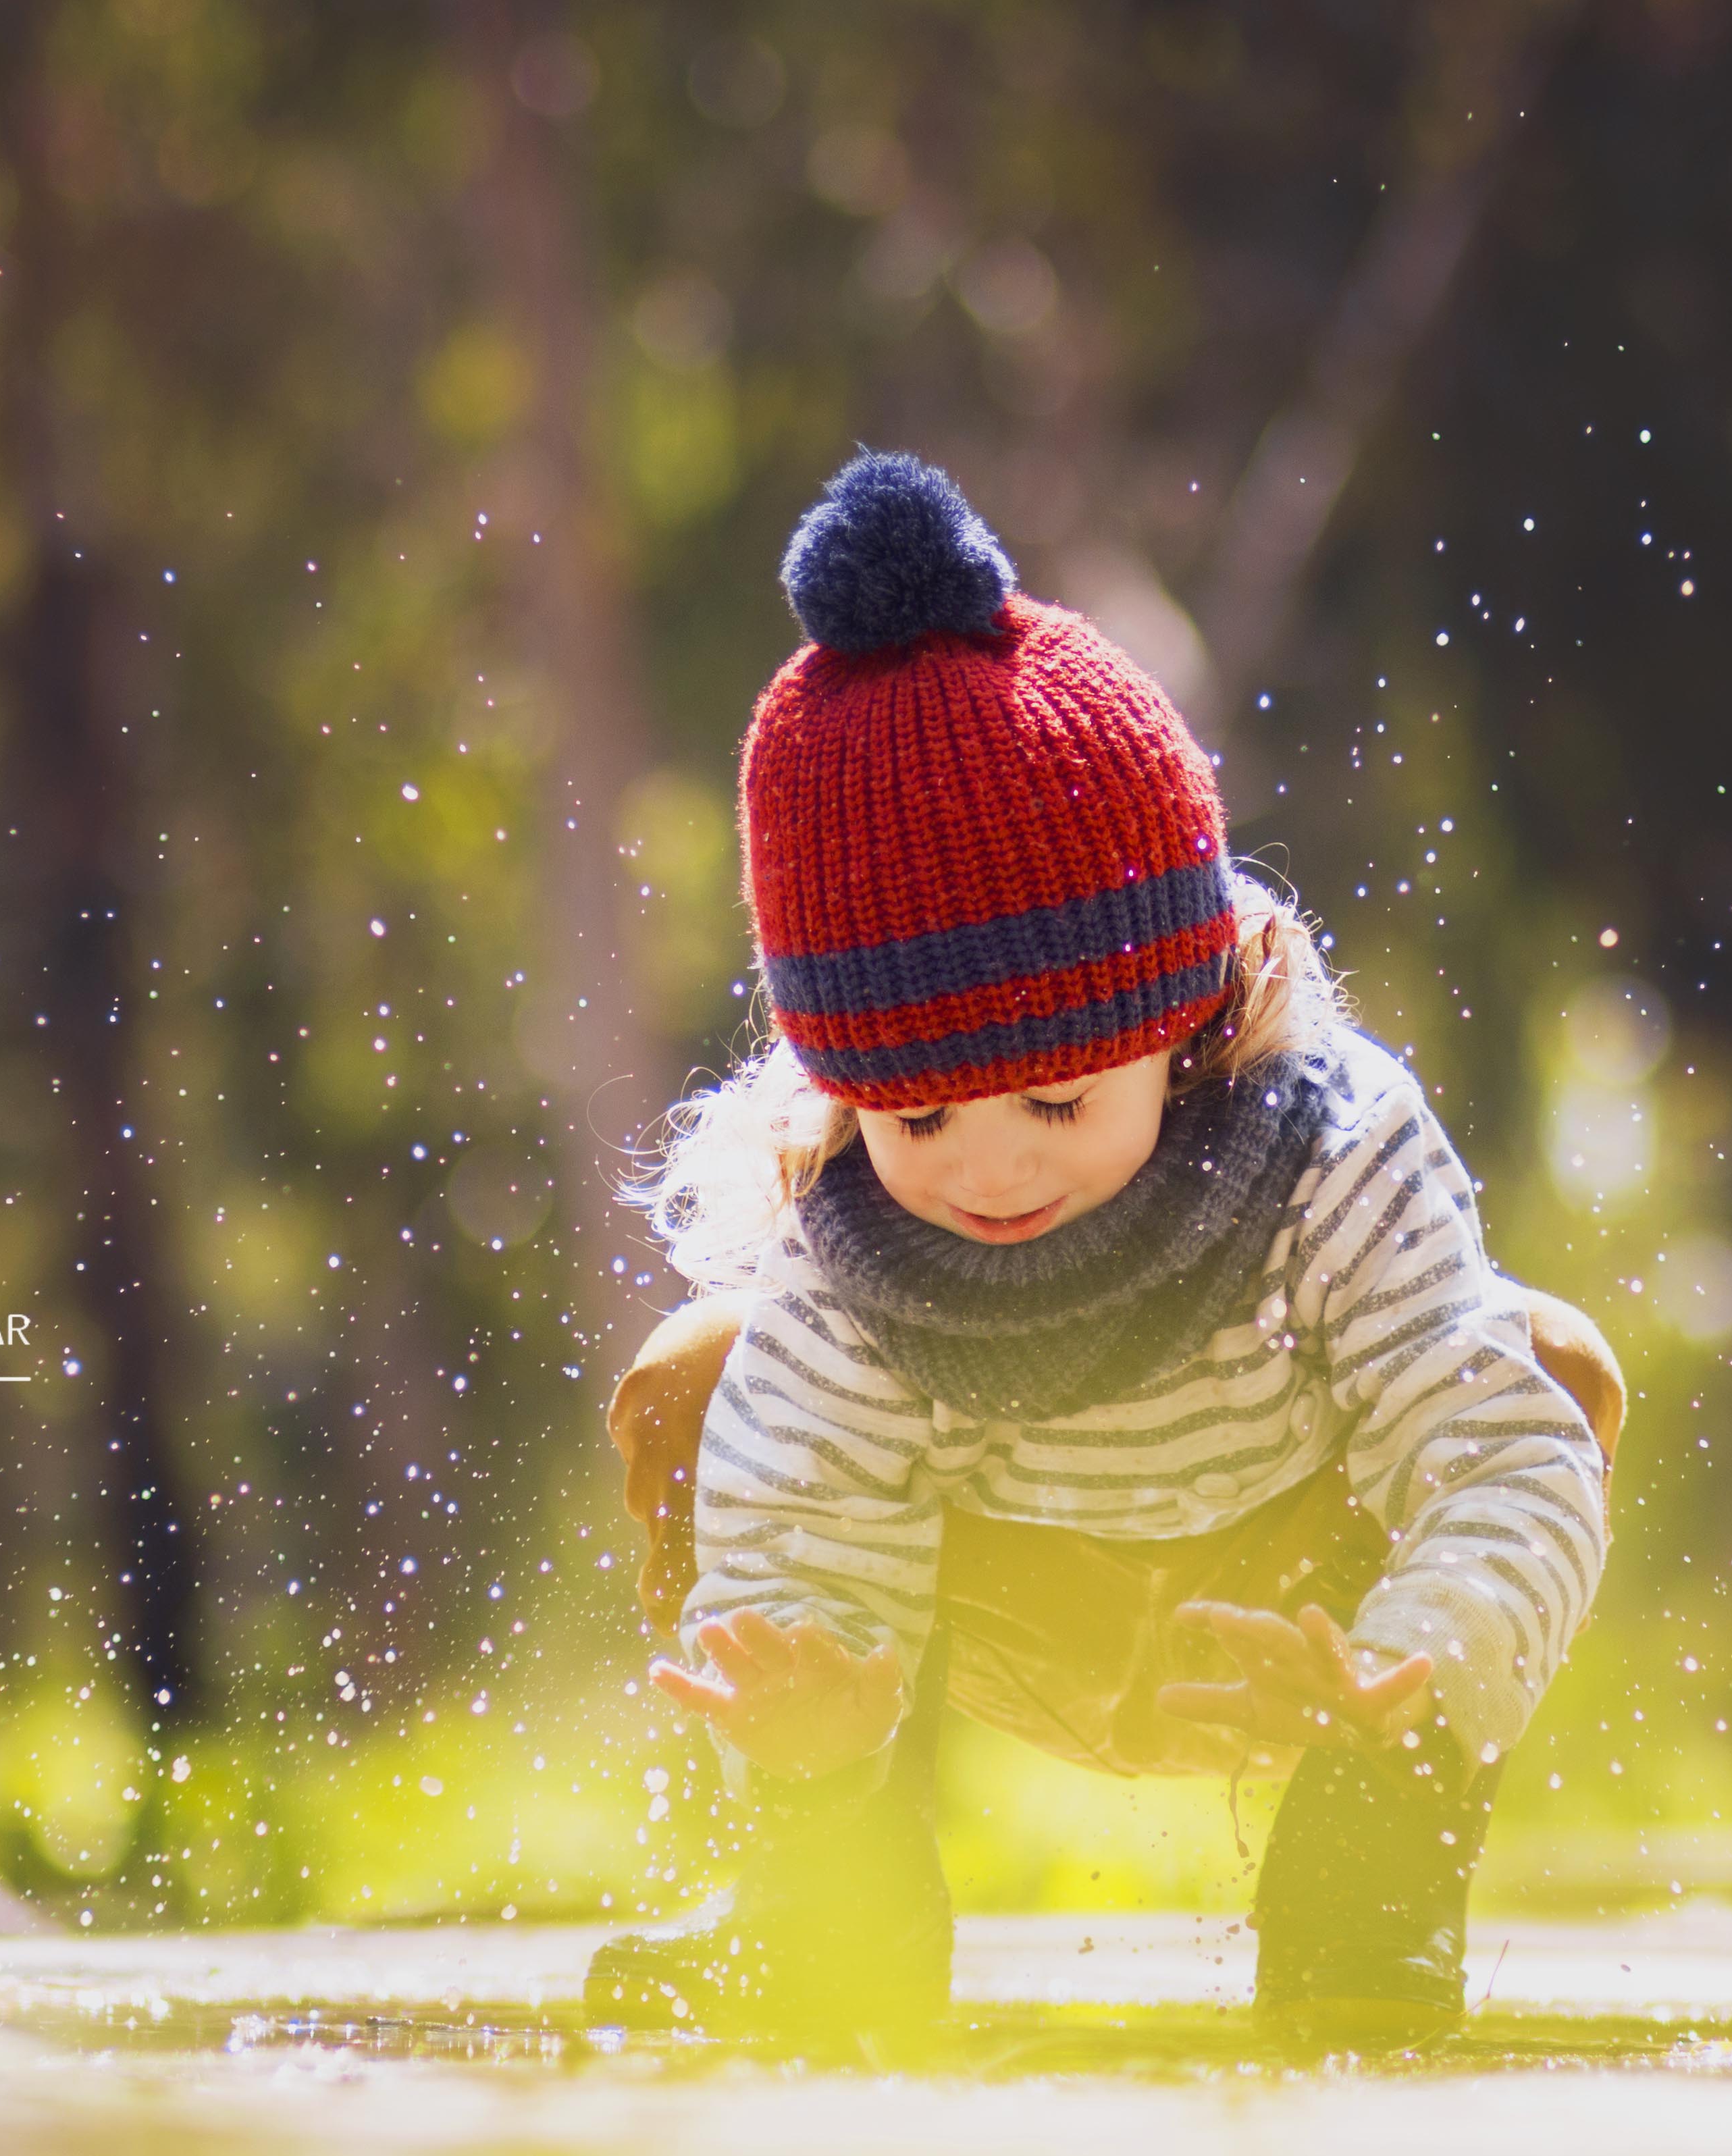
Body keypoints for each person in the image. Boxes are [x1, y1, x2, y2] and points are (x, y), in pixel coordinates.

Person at [585, 451, 1621, 2050]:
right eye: (917, 1122)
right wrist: (812, 1736)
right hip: (991, 1605)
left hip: (1308, 1610)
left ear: (1182, 1014)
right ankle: (819, 1918)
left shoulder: (1332, 1159)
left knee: (1551, 1367)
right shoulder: (854, 1241)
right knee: (699, 1374)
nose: (988, 1172)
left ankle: (1365, 1913)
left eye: (1057, 1099)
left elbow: (1494, 1455)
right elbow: (798, 1531)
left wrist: (1414, 1669)